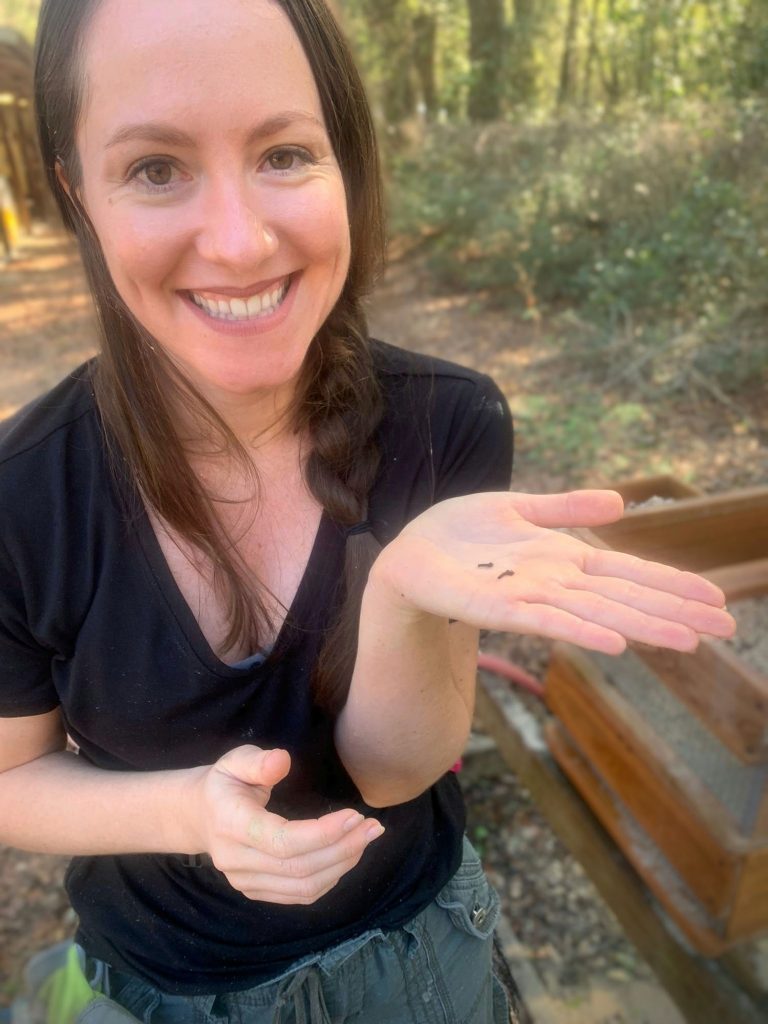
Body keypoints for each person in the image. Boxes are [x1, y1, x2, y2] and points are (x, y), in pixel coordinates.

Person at [0, 1, 735, 1022]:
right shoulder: (21, 494)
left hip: (423, 962)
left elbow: (394, 775)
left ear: (343, 163)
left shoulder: (449, 422)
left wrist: (398, 596)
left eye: (285, 154)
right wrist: (188, 812)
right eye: (157, 168)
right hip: (162, 988)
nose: (239, 238)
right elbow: (12, 777)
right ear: (78, 191)